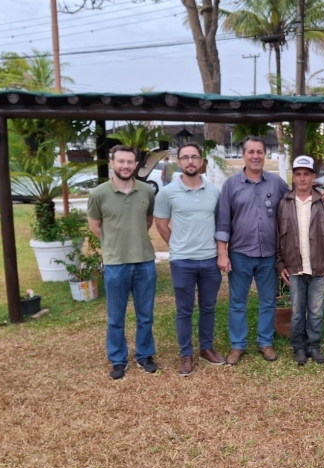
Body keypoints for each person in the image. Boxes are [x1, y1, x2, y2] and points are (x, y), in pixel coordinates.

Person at [215, 136, 324, 366]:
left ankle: (265, 342)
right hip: (240, 254)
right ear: (244, 155)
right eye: (251, 152)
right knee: (238, 302)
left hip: (269, 254)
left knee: (268, 301)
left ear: (264, 155)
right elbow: (223, 221)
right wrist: (222, 252)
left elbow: (298, 194)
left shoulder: (276, 183)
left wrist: (322, 192)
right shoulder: (231, 185)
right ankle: (238, 346)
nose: (256, 156)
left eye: (260, 152)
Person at [154, 142, 225, 377]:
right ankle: (186, 354)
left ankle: (206, 348)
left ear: (201, 161)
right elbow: (161, 224)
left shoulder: (214, 191)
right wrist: (177, 245)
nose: (190, 161)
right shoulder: (167, 192)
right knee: (184, 310)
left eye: (195, 157)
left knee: (208, 308)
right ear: (179, 162)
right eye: (185, 157)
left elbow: (219, 224)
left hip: (209, 260)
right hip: (182, 262)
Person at [87, 145, 158, 380]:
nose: (126, 166)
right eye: (121, 162)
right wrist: (113, 245)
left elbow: (147, 221)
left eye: (130, 162)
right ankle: (118, 359)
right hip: (116, 264)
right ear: (112, 163)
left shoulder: (147, 191)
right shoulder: (98, 194)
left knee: (145, 314)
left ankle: (145, 355)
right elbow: (95, 226)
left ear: (135, 164)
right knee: (116, 317)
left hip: (145, 262)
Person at [275, 155, 324, 366]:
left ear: (313, 177)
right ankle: (299, 348)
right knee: (296, 312)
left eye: (306, 174)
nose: (302, 179)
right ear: (293, 177)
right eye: (298, 174)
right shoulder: (284, 203)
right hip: (294, 268)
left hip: (319, 268)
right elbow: (277, 236)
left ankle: (314, 346)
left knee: (316, 312)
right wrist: (280, 264)